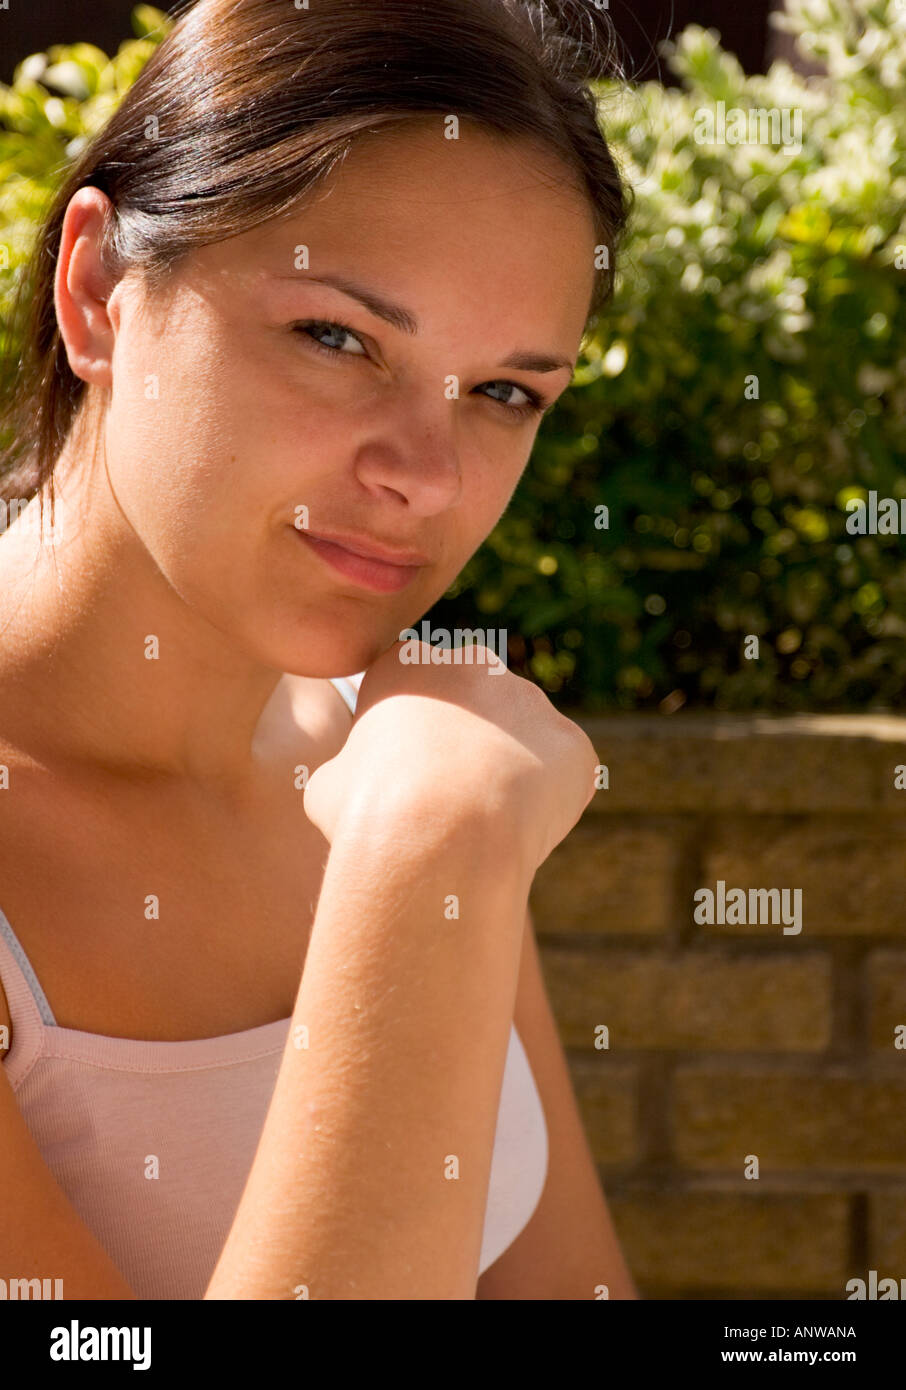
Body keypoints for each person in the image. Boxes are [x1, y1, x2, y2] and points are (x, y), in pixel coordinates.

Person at [0, 0, 637, 1299]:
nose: (426, 474)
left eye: (504, 393)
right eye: (338, 337)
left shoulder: (397, 739)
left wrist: (427, 820)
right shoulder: (429, 791)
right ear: (98, 290)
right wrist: (426, 849)